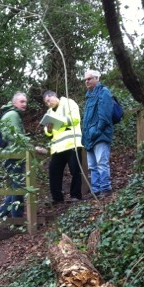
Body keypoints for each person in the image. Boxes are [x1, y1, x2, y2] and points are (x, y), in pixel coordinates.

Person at [0, 91, 29, 219]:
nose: (24, 104)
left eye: (25, 102)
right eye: (21, 101)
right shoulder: (13, 115)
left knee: (16, 185)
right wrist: (32, 147)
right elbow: (16, 136)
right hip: (14, 155)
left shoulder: (13, 114)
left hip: (12, 154)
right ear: (14, 103)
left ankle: (0, 214)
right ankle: (17, 217)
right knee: (18, 186)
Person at [42, 90, 83, 205]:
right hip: (57, 148)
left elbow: (76, 119)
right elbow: (47, 132)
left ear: (54, 96)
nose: (48, 104)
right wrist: (49, 130)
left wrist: (60, 122)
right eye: (46, 103)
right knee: (54, 171)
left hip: (71, 143)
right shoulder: (49, 112)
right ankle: (57, 198)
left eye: (48, 100)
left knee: (75, 170)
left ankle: (76, 195)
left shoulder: (69, 103)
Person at [82, 69, 114, 197]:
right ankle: (96, 190)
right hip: (89, 136)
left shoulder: (104, 92)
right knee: (92, 166)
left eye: (89, 79)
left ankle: (105, 188)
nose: (87, 81)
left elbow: (105, 117)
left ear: (97, 79)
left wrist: (96, 131)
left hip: (99, 135)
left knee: (101, 163)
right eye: (85, 80)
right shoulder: (89, 96)